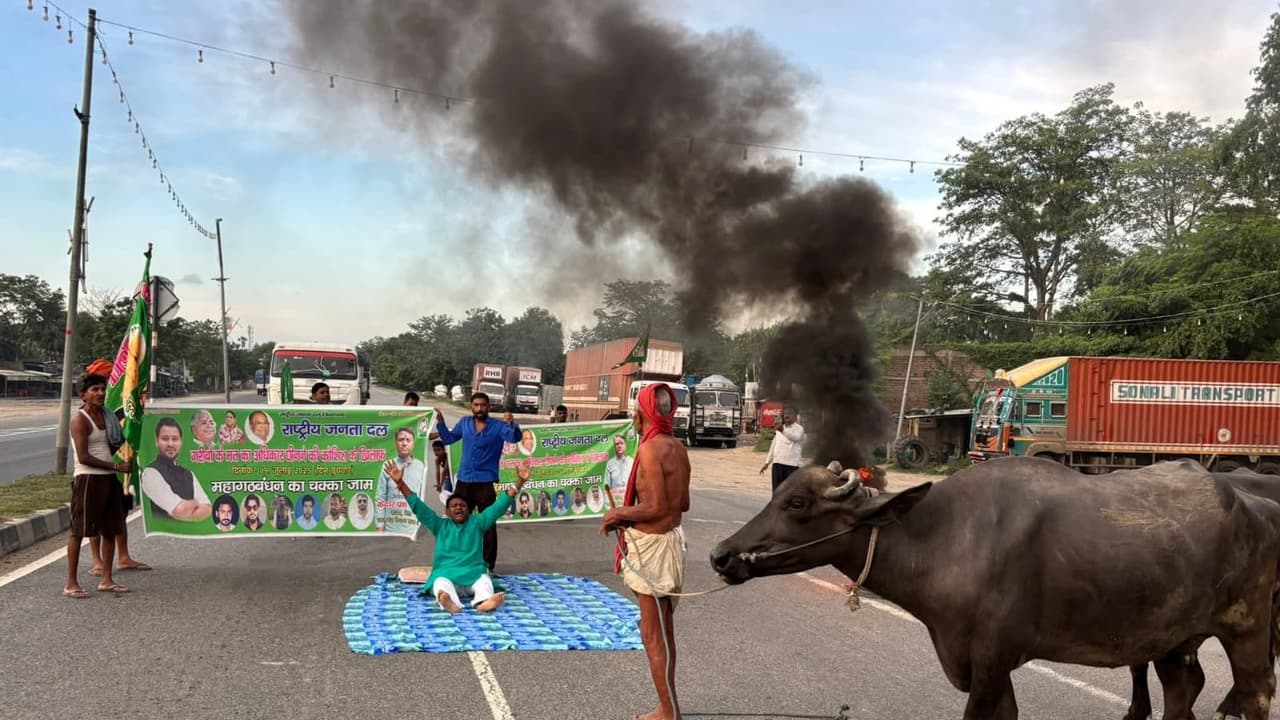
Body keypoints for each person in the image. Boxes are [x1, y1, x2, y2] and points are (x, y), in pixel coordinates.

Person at [601, 382, 690, 720]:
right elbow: (682, 503)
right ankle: (669, 707)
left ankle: (668, 712)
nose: (633, 419)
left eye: (635, 412)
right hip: (669, 544)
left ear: (641, 415)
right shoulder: (678, 447)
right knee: (662, 632)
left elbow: (655, 507)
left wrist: (617, 514)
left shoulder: (651, 449)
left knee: (655, 636)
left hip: (654, 551)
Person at [387, 459, 531, 613]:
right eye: (454, 506)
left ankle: (484, 602)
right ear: (448, 512)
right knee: (440, 583)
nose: (459, 508)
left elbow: (499, 506)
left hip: (474, 575)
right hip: (447, 575)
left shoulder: (478, 522)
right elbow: (418, 507)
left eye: (462, 505)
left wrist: (520, 482)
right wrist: (400, 483)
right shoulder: (440, 525)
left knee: (484, 581)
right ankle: (449, 602)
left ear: (469, 510)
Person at [434, 393, 522, 571]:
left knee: (488, 523)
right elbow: (449, 439)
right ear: (471, 407)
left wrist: (512, 424)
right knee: (458, 521)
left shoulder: (498, 426)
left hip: (486, 482)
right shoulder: (464, 423)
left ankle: (488, 565)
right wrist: (441, 422)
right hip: (464, 480)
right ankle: (456, 560)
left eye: (483, 405)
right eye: (476, 405)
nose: (479, 408)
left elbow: (514, 438)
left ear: (489, 407)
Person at [65, 373, 131, 598]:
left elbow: (117, 441)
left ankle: (107, 579)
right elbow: (84, 457)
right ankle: (71, 583)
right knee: (78, 532)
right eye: (95, 390)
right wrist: (116, 466)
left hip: (108, 479)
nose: (100, 393)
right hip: (88, 479)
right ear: (83, 395)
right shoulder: (80, 420)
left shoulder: (108, 416)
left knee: (111, 530)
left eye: (102, 389)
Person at [85, 359, 149, 578]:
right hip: (95, 471)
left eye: (105, 386)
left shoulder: (119, 406)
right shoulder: (87, 415)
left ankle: (123, 556)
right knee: (95, 516)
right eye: (99, 387)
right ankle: (97, 560)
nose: (102, 391)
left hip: (120, 469)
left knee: (120, 513)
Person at [141, 417, 213, 521]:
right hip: (164, 530)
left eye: (175, 439)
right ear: (157, 442)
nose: (170, 444)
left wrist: (186, 508)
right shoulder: (150, 473)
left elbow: (207, 509)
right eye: (165, 439)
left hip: (190, 530)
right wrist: (196, 504)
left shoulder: (189, 474)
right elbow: (179, 510)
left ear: (180, 442)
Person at [375, 428, 426, 532]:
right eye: (401, 439)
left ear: (413, 443)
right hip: (390, 529)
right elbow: (380, 498)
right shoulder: (388, 466)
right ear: (396, 443)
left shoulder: (421, 467)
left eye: (408, 440)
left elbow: (422, 499)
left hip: (412, 529)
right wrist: (379, 527)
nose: (404, 443)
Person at [759, 409, 804, 493]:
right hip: (778, 463)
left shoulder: (799, 429)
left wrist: (783, 431)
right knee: (777, 492)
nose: (787, 415)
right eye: (785, 414)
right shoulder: (780, 429)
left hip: (792, 465)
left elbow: (795, 437)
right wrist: (767, 463)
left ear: (795, 416)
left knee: (789, 493)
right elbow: (774, 446)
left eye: (790, 413)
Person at [604, 434, 633, 503]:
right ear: (614, 447)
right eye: (617, 444)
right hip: (616, 502)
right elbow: (607, 485)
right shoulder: (610, 464)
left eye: (621, 443)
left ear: (625, 445)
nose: (619, 446)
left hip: (630, 500)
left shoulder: (632, 461)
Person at [432, 439, 453, 505]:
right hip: (447, 478)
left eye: (439, 450)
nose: (436, 452)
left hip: (453, 476)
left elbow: (444, 471)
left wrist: (440, 484)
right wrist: (438, 484)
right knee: (446, 495)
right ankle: (449, 507)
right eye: (434, 450)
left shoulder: (448, 457)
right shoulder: (437, 460)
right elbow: (437, 472)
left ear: (444, 450)